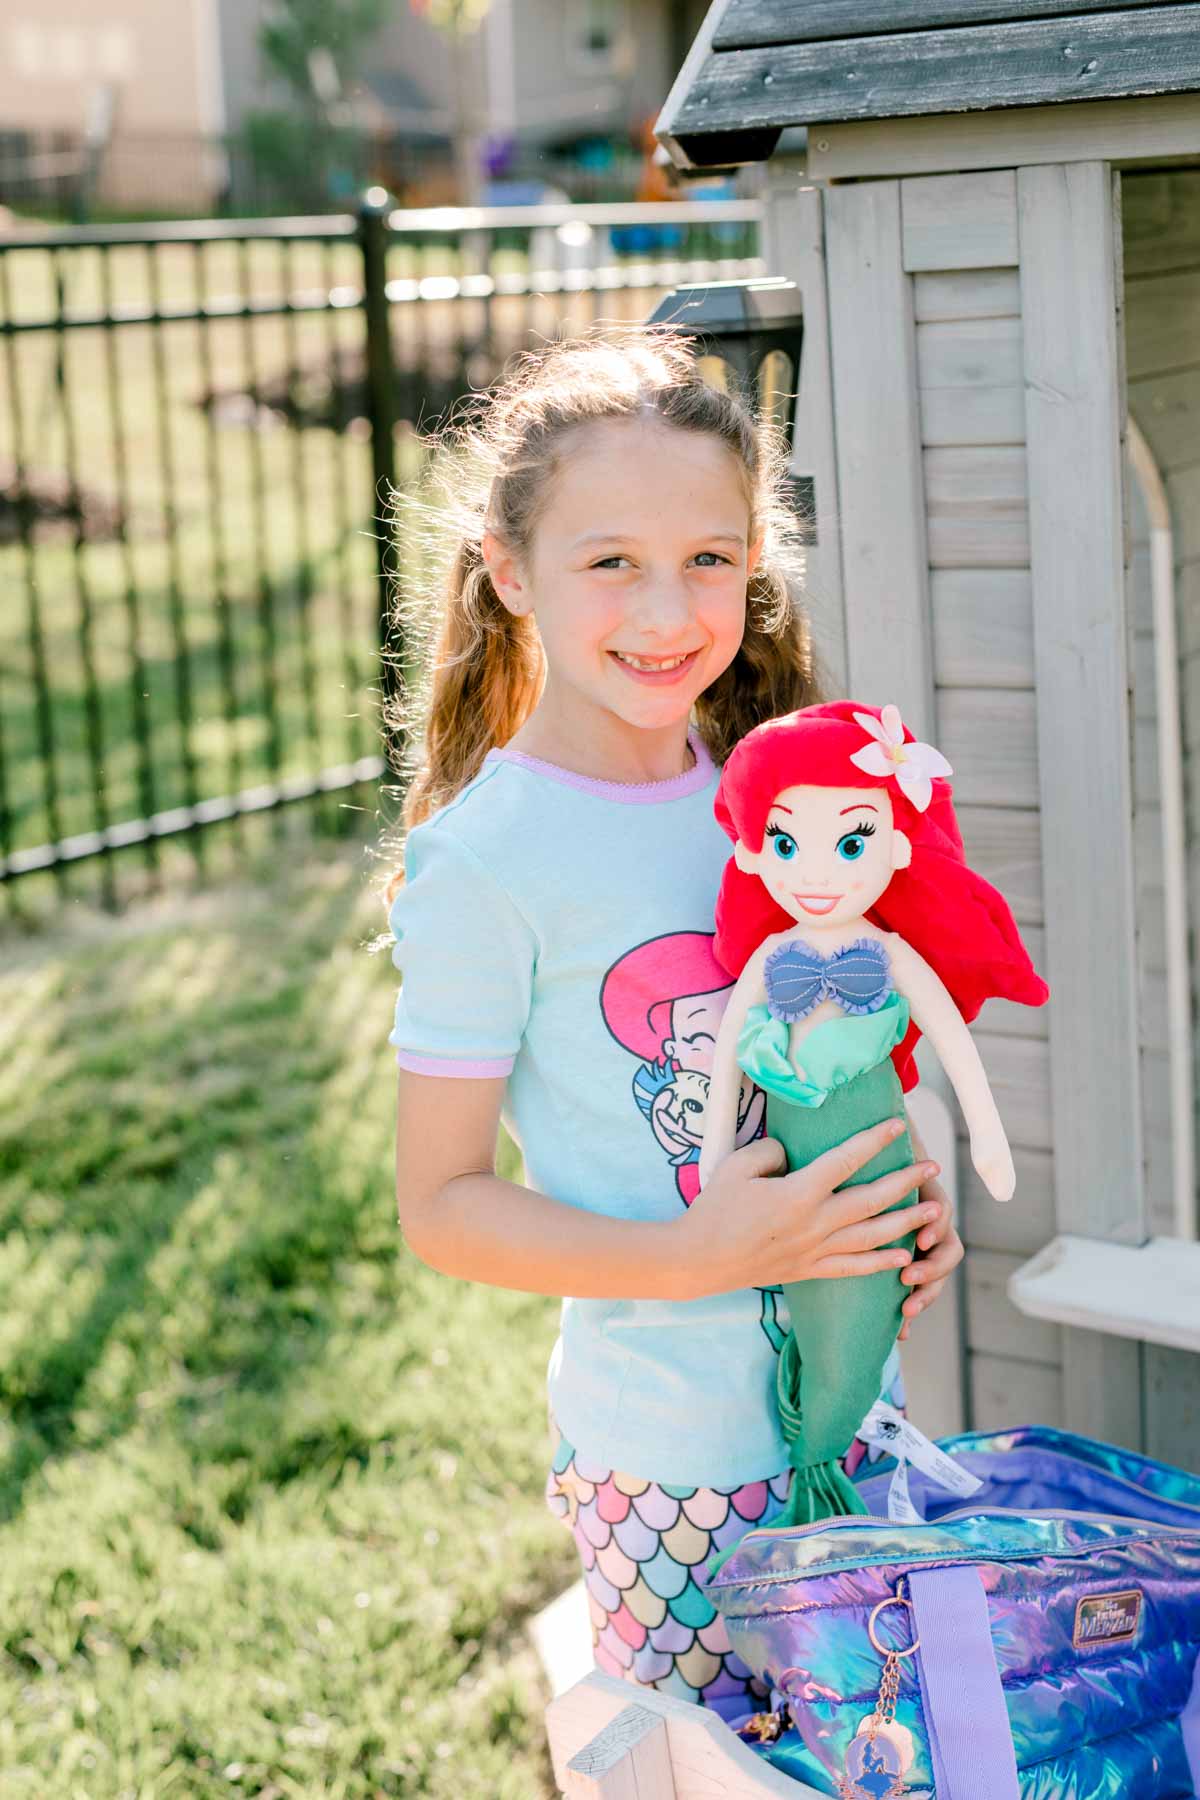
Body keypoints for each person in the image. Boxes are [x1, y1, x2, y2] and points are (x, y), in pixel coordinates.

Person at [385, 327, 962, 1720]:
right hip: (672, 1464)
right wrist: (699, 1252)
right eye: (612, 563)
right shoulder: (490, 859)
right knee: (706, 1763)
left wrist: (895, 1203)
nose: (669, 607)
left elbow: (829, 1071)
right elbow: (444, 1205)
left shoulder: (778, 815)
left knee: (876, 1743)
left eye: (709, 556)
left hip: (852, 1408)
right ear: (512, 573)